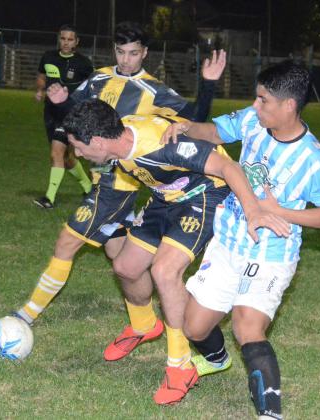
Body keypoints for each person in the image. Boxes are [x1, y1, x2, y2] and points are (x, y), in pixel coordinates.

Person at [61, 99, 290, 405]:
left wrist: (253, 212)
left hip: (203, 195)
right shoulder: (120, 135)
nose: (77, 154)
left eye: (79, 147)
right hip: (164, 198)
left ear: (99, 141)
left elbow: (227, 166)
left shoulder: (161, 147)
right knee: (125, 267)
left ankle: (179, 364)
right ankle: (144, 324)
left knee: (164, 271)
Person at [161, 60, 320, 419]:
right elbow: (214, 132)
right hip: (228, 243)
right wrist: (187, 126)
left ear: (288, 105)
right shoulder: (252, 121)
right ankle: (216, 360)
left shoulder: (314, 160)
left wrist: (279, 212)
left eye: (263, 100)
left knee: (248, 325)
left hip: (271, 255)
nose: (256, 106)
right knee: (193, 326)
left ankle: (270, 414)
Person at [12, 22, 225, 330]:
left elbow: (194, 119)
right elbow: (79, 118)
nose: (126, 60)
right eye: (121, 52)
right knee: (120, 256)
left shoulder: (154, 90)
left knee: (67, 241)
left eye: (134, 53)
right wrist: (61, 104)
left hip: (119, 182)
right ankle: (144, 324)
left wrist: (207, 84)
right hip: (101, 175)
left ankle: (24, 317)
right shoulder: (98, 78)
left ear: (145, 53)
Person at [33, 24, 94, 210]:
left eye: (70, 39)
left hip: (70, 114)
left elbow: (93, 87)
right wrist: (40, 89)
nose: (66, 42)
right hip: (50, 112)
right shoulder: (48, 57)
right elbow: (41, 76)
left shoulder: (84, 63)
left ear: (76, 42)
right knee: (67, 159)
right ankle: (89, 189)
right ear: (59, 39)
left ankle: (49, 199)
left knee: (56, 153)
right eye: (63, 38)